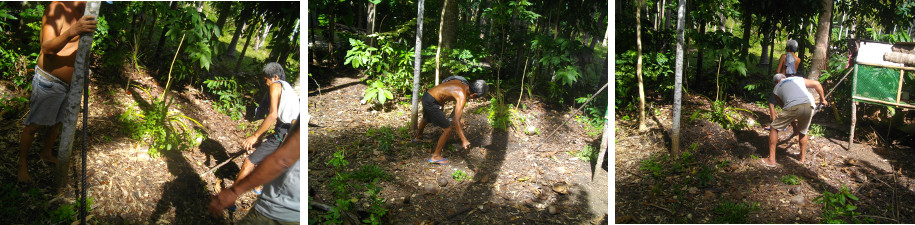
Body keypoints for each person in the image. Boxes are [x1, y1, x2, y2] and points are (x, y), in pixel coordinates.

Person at [18, 1, 98, 183]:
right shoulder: (58, 7)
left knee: (57, 123)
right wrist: (73, 30)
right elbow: (47, 48)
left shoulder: (88, 11)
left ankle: (46, 153)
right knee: (34, 125)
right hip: (50, 81)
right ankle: (21, 164)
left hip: (71, 85)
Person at [209, 119, 300, 224]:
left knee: (249, 161)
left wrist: (234, 192)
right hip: (294, 213)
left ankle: (254, 190)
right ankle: (257, 189)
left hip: (275, 212)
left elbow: (282, 160)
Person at [235, 62, 300, 194]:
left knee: (249, 162)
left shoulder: (275, 85)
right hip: (292, 133)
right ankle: (258, 187)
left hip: (285, 132)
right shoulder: (288, 89)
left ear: (275, 77)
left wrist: (254, 136)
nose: (266, 83)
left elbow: (273, 115)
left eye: (266, 80)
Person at [413, 76, 488, 165]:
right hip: (432, 102)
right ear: (474, 94)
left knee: (426, 118)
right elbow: (456, 120)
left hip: (428, 95)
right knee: (448, 129)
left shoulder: (462, 82)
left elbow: (446, 82)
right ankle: (436, 156)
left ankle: (418, 137)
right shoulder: (462, 95)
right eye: (475, 98)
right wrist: (464, 140)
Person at [761, 73, 827, 167]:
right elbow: (816, 83)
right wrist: (822, 99)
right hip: (809, 105)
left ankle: (771, 160)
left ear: (776, 82)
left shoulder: (776, 89)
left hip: (793, 106)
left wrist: (793, 126)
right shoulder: (796, 79)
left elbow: (785, 109)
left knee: (774, 128)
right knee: (803, 131)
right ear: (785, 78)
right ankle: (802, 158)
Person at [766, 39, 802, 132]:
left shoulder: (783, 56)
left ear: (789, 47)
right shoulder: (798, 59)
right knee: (787, 107)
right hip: (792, 82)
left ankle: (774, 124)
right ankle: (795, 128)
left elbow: (778, 72)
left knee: (771, 102)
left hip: (782, 82)